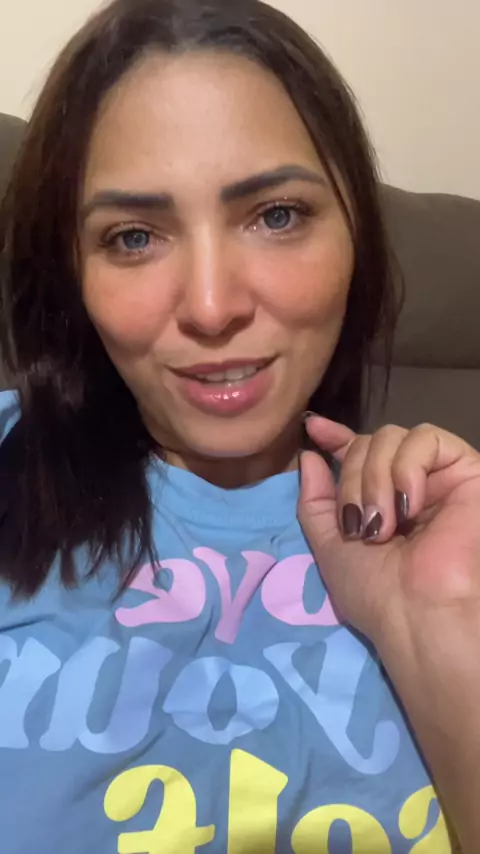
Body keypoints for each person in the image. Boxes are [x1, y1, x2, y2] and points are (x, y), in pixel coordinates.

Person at [0, 0, 477, 850]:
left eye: (276, 216)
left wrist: (440, 629)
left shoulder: (450, 531)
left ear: (357, 236)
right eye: (134, 237)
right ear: (70, 272)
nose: (213, 306)